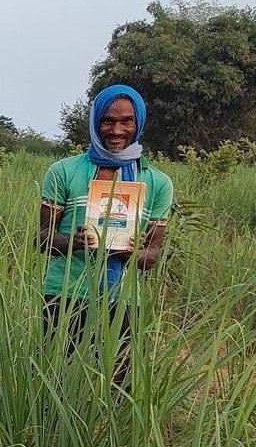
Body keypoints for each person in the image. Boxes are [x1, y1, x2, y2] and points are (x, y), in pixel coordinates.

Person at [36, 84, 172, 381]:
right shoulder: (64, 172)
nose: (116, 129)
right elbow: (43, 238)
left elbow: (152, 256)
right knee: (56, 380)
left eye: (127, 121)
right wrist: (77, 241)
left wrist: (132, 250)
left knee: (116, 386)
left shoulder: (157, 183)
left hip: (123, 300)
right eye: (108, 120)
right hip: (66, 293)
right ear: (96, 121)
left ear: (139, 124)